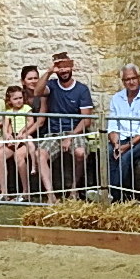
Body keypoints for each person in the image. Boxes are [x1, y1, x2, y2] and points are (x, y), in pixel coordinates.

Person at [42, 53, 96, 196]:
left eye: (66, 66)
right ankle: (50, 195)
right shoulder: (51, 85)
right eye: (60, 67)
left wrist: (70, 136)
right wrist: (48, 72)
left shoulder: (81, 89)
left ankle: (74, 188)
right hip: (54, 133)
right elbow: (37, 91)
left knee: (80, 153)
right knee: (39, 155)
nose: (64, 70)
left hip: (75, 131)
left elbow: (87, 119)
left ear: (72, 67)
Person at [105, 64, 140, 201]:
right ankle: (116, 193)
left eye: (134, 78)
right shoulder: (117, 98)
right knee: (109, 151)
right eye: (128, 79)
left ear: (139, 78)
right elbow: (112, 124)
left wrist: (126, 146)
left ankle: (113, 196)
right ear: (123, 82)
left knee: (125, 157)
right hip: (121, 138)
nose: (131, 82)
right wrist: (116, 144)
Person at [0, 83, 52, 199]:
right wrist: (7, 135)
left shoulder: (27, 109)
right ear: (10, 100)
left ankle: (26, 190)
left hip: (24, 137)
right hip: (14, 137)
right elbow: (5, 125)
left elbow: (31, 122)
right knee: (0, 154)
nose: (18, 101)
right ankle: (4, 191)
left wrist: (22, 133)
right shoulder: (8, 111)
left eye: (20, 98)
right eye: (15, 99)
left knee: (18, 156)